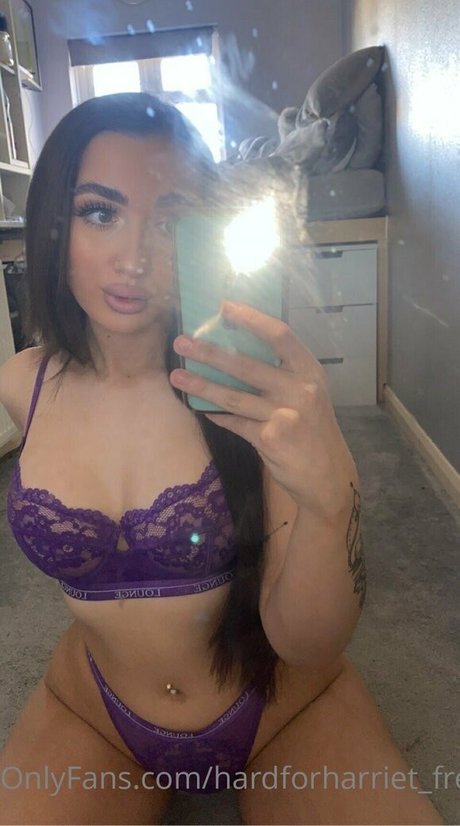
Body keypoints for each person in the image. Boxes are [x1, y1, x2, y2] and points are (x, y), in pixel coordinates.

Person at [0, 92, 442, 826]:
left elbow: (309, 640)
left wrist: (331, 498)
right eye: (100, 212)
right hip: (96, 715)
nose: (135, 258)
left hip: (283, 709)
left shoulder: (256, 388)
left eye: (169, 219)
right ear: (54, 221)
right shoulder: (24, 383)